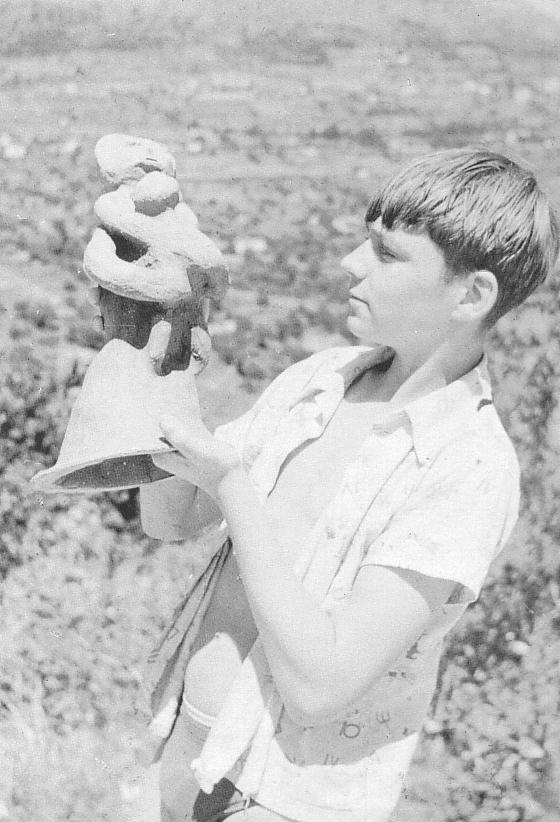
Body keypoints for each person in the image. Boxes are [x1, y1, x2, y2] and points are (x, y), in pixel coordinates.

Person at [135, 148, 559, 822]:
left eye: (387, 254)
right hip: (181, 757)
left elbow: (320, 688)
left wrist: (237, 492)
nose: (350, 263)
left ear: (471, 295)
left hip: (281, 802)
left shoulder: (467, 468)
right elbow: (170, 517)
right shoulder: (319, 380)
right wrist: (162, 376)